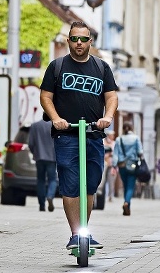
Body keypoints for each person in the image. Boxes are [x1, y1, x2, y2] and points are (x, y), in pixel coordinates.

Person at [40, 21, 118, 251]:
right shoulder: (58, 66)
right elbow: (46, 97)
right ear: (69, 41)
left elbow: (111, 97)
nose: (79, 43)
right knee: (70, 184)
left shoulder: (102, 68)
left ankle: (85, 228)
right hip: (67, 136)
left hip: (93, 134)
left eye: (84, 39)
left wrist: (108, 117)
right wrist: (55, 118)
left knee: (91, 184)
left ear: (90, 41)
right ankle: (76, 233)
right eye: (74, 39)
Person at [112, 123, 143, 216]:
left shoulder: (118, 139)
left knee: (126, 185)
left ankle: (127, 209)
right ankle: (126, 203)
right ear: (131, 128)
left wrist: (114, 165)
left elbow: (115, 154)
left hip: (121, 165)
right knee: (130, 186)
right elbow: (140, 152)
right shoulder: (136, 138)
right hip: (132, 165)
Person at [27, 118, 58, 212]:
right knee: (52, 179)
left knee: (40, 180)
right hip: (52, 157)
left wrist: (35, 153)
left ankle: (41, 204)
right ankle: (50, 196)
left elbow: (31, 143)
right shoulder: (55, 125)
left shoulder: (35, 125)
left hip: (39, 157)